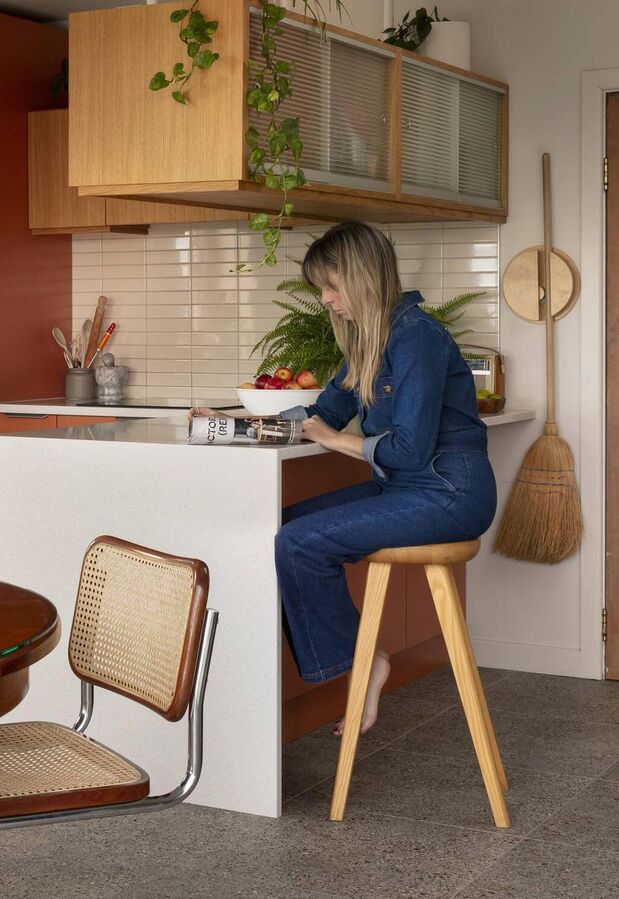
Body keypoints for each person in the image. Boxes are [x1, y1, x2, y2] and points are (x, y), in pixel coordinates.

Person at [192, 221, 496, 735]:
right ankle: (354, 660)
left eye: (332, 287)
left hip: (450, 492)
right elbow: (320, 414)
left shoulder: (417, 336)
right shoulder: (368, 344)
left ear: (363, 279)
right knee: (285, 528)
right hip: (407, 488)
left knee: (301, 542)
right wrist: (230, 423)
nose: (328, 301)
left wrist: (339, 442)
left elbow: (408, 447)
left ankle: (363, 663)